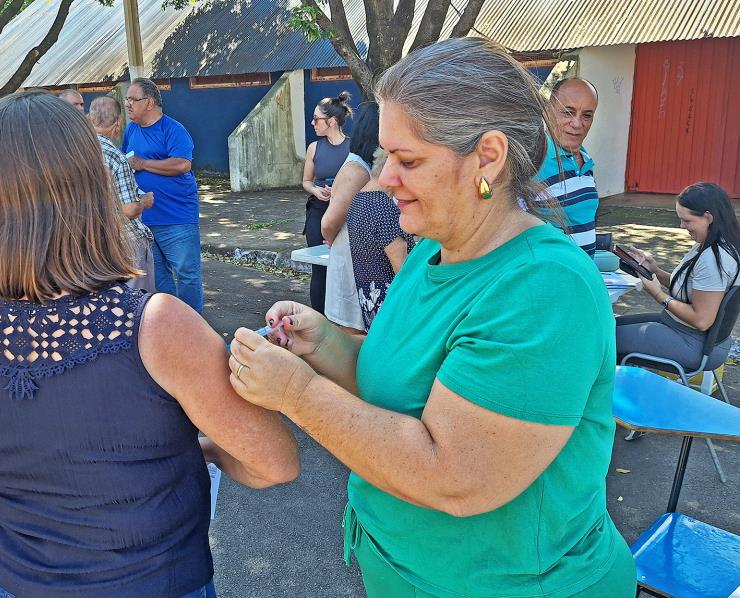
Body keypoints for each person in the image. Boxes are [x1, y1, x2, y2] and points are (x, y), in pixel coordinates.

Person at [227, 39, 635, 597]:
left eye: (408, 160)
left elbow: (455, 477)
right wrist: (321, 344)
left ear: (488, 157)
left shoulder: (543, 287)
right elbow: (397, 384)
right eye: (387, 156)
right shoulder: (430, 248)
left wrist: (296, 393)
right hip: (406, 570)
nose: (385, 178)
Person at [0, 91, 299, 598]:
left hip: (17, 581)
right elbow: (273, 463)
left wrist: (29, 473)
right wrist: (203, 450)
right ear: (91, 182)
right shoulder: (159, 325)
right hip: (155, 581)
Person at [616, 182, 739, 409]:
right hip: (687, 332)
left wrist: (657, 294)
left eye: (687, 220)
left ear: (708, 217)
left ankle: (627, 410)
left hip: (694, 343)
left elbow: (701, 320)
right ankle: (628, 403)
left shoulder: (714, 258)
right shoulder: (711, 243)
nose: (682, 226)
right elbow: (691, 287)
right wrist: (655, 270)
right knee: (609, 327)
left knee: (603, 341)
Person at [122, 78, 203, 313]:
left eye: (132, 99)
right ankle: (170, 323)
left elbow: (182, 164)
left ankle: (193, 327)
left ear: (149, 103)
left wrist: (144, 164)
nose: (127, 104)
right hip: (144, 218)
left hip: (176, 217)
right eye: (127, 99)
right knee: (158, 277)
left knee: (186, 273)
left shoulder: (173, 129)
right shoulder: (132, 129)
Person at [320, 102, 379, 333]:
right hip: (349, 256)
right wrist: (331, 240)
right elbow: (328, 223)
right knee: (349, 328)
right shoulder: (357, 170)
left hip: (358, 255)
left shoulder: (364, 166)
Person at [88, 95, 156, 291]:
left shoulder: (76, 151)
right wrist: (143, 202)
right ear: (118, 123)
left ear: (90, 119)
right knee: (136, 300)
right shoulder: (116, 157)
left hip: (92, 239)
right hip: (125, 241)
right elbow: (129, 210)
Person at [347, 146, 413, 331]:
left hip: (369, 303)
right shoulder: (384, 208)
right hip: (393, 309)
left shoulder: (360, 200)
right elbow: (402, 270)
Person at [534, 77, 600, 255]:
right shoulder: (533, 161)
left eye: (586, 115)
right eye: (567, 112)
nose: (577, 123)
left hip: (582, 277)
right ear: (548, 110)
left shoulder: (585, 160)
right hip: (550, 278)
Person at [301, 91, 352, 314]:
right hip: (318, 209)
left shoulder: (353, 147)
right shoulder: (314, 147)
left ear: (331, 121)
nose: (312, 123)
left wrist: (340, 191)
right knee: (319, 268)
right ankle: (319, 318)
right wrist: (316, 190)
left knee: (345, 267)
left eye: (316, 119)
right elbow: (305, 181)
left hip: (346, 213)